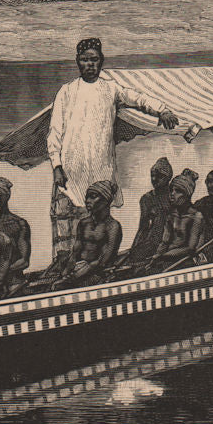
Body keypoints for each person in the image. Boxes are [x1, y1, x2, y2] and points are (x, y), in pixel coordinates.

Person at [47, 38, 178, 258]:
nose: (90, 64)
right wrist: (57, 166)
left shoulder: (111, 89)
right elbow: (54, 132)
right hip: (69, 174)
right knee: (64, 235)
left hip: (100, 175)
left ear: (101, 62)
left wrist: (162, 110)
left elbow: (138, 99)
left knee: (96, 233)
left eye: (94, 60)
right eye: (85, 60)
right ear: (78, 62)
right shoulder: (66, 91)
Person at [54, 181, 124, 289]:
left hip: (99, 273)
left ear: (106, 200)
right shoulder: (83, 223)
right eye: (87, 197)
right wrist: (65, 274)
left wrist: (78, 275)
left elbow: (104, 260)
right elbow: (74, 254)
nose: (87, 201)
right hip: (79, 270)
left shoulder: (113, 226)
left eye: (93, 197)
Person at [150, 169, 204, 272]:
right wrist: (156, 256)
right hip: (168, 261)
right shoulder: (171, 216)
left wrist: (163, 256)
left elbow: (190, 248)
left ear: (187, 194)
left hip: (186, 262)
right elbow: (165, 242)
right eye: (171, 190)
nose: (172, 194)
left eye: (178, 191)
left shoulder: (196, 217)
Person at [0, 177, 31, 295]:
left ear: (6, 197)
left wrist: (0, 274)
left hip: (12, 283)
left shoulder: (18, 224)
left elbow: (24, 261)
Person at [127, 157, 173, 267]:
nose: (154, 179)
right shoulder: (146, 199)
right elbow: (143, 228)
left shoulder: (174, 196)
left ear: (168, 178)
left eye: (159, 176)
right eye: (152, 175)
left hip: (172, 241)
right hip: (153, 241)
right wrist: (134, 249)